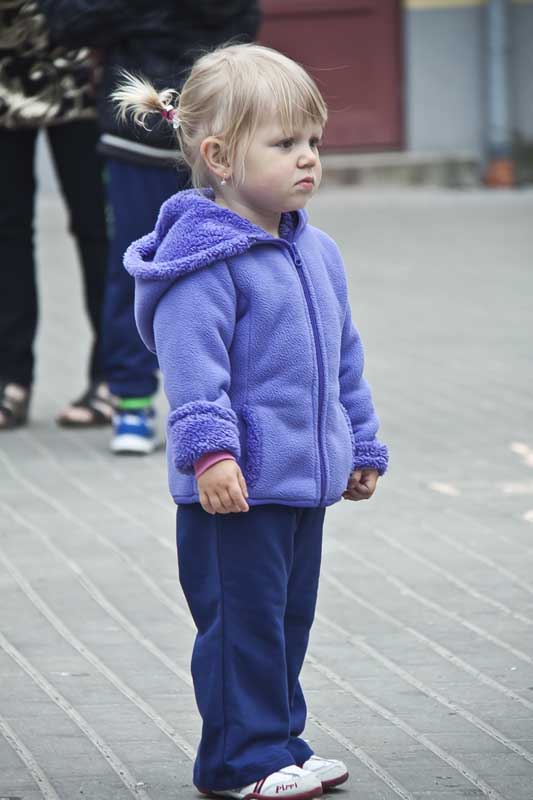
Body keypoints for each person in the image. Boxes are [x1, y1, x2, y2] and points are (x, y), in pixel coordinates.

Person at [116, 44, 389, 799]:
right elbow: (192, 371)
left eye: (314, 141)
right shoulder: (202, 264)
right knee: (241, 628)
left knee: (285, 622)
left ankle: (280, 745)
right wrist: (210, 455)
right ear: (219, 157)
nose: (308, 159)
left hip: (302, 482)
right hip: (234, 489)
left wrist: (361, 442)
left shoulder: (316, 250)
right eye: (285, 143)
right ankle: (239, 762)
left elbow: (344, 357)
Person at [39, 0, 260, 453]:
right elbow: (67, 22)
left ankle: (237, 406)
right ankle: (132, 403)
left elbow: (242, 25)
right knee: (134, 269)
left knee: (233, 272)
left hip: (217, 138)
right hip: (137, 133)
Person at [0, 0, 111, 430]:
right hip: (4, 61)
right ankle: (10, 378)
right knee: (6, 230)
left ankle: (111, 376)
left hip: (78, 59)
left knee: (96, 226)